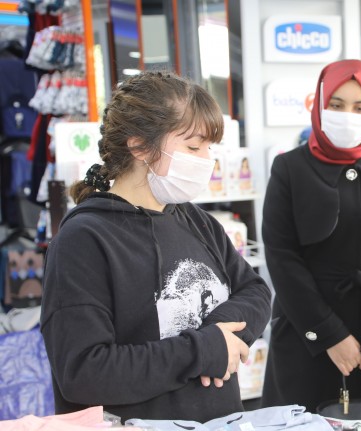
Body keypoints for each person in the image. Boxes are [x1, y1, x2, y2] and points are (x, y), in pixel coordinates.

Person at [40, 71, 272, 422]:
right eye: (193, 147)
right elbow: (84, 373)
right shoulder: (84, 241)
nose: (206, 159)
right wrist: (201, 350)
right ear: (139, 147)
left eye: (209, 147)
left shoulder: (195, 220)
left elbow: (254, 292)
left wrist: (218, 335)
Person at [260, 59, 361, 412]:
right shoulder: (290, 168)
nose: (347, 115)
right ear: (320, 105)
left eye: (360, 106)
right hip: (310, 343)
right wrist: (327, 334)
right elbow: (281, 256)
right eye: (336, 105)